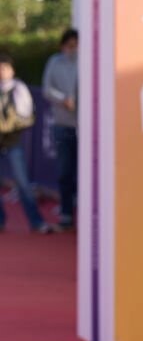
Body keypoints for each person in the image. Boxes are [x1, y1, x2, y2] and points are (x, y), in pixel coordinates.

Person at [0, 52, 54, 233]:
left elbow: (27, 114)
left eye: (5, 68)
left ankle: (36, 221)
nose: (2, 72)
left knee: (22, 182)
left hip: (13, 141)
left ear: (12, 70)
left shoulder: (18, 89)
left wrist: (13, 120)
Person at [42, 28, 78, 229]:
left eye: (76, 45)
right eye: (70, 45)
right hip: (62, 125)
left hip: (85, 127)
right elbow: (47, 89)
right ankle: (66, 213)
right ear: (63, 46)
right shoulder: (55, 62)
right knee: (65, 171)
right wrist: (63, 99)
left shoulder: (86, 62)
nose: (73, 49)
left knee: (85, 173)